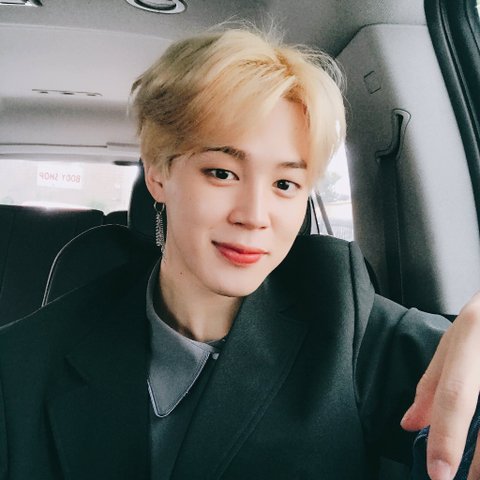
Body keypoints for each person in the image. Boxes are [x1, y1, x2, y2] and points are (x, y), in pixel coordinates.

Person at [0, 27, 479, 480]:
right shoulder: (22, 365)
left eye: (285, 184)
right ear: (159, 173)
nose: (254, 215)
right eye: (222, 173)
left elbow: (458, 380)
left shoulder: (341, 312)